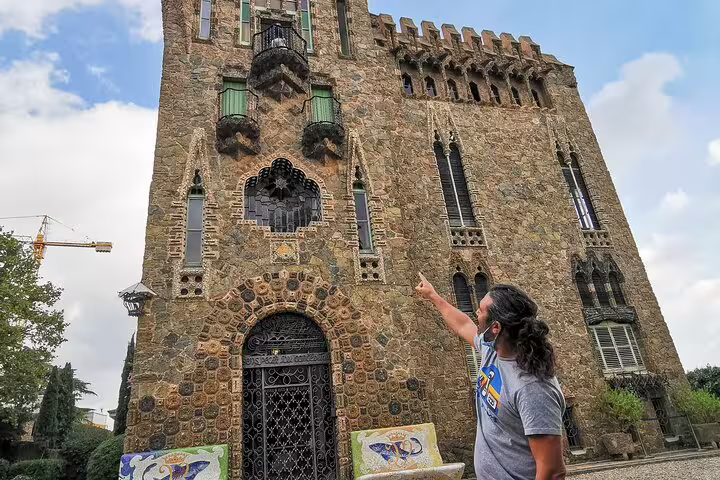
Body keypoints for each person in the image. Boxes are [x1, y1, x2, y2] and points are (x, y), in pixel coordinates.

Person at [415, 273, 567, 480]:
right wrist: (433, 295)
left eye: (481, 309)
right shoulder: (493, 350)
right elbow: (463, 325)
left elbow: (552, 471)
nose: (476, 311)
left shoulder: (532, 387)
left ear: (496, 328)